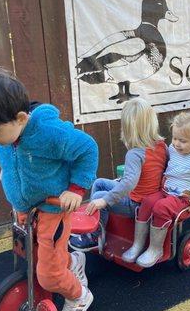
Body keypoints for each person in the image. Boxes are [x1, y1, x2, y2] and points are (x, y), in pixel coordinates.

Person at [0, 67, 98, 311]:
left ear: (21, 118)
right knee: (31, 257)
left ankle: (79, 297)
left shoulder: (48, 133)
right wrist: (9, 182)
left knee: (47, 276)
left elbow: (87, 148)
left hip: (52, 209)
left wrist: (77, 189)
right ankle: (72, 261)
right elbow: (14, 162)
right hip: (26, 209)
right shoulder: (6, 134)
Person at [69, 98, 167, 251]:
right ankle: (98, 225)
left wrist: (105, 201)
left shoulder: (135, 154)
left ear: (128, 128)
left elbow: (129, 183)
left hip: (137, 204)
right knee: (100, 183)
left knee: (97, 198)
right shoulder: (161, 146)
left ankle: (95, 237)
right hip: (146, 196)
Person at [122, 112, 190, 267]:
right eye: (174, 138)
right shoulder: (173, 149)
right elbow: (166, 161)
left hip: (183, 199)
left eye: (183, 140)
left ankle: (156, 249)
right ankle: (138, 244)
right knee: (147, 202)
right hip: (165, 191)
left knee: (161, 207)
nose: (177, 143)